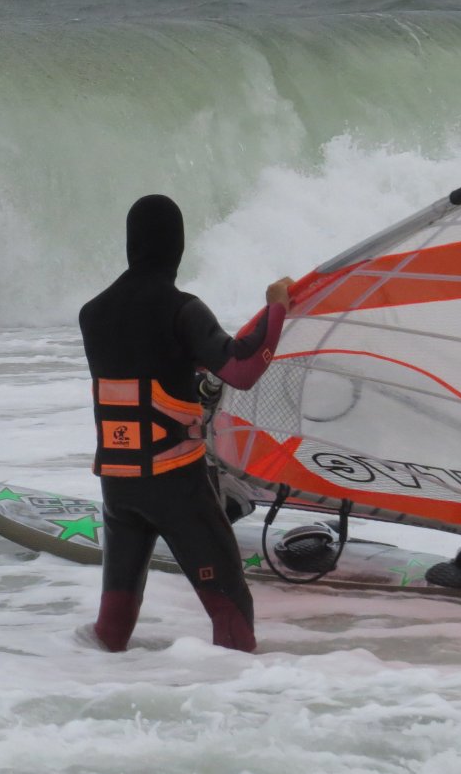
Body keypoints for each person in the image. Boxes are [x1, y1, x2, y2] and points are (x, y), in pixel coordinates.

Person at [78, 194, 291, 653]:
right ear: (176, 246)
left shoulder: (92, 313)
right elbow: (242, 370)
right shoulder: (182, 308)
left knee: (113, 625)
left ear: (132, 244)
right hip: (176, 485)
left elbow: (147, 365)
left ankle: (96, 699)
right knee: (230, 611)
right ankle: (241, 707)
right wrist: (277, 308)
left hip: (118, 484)